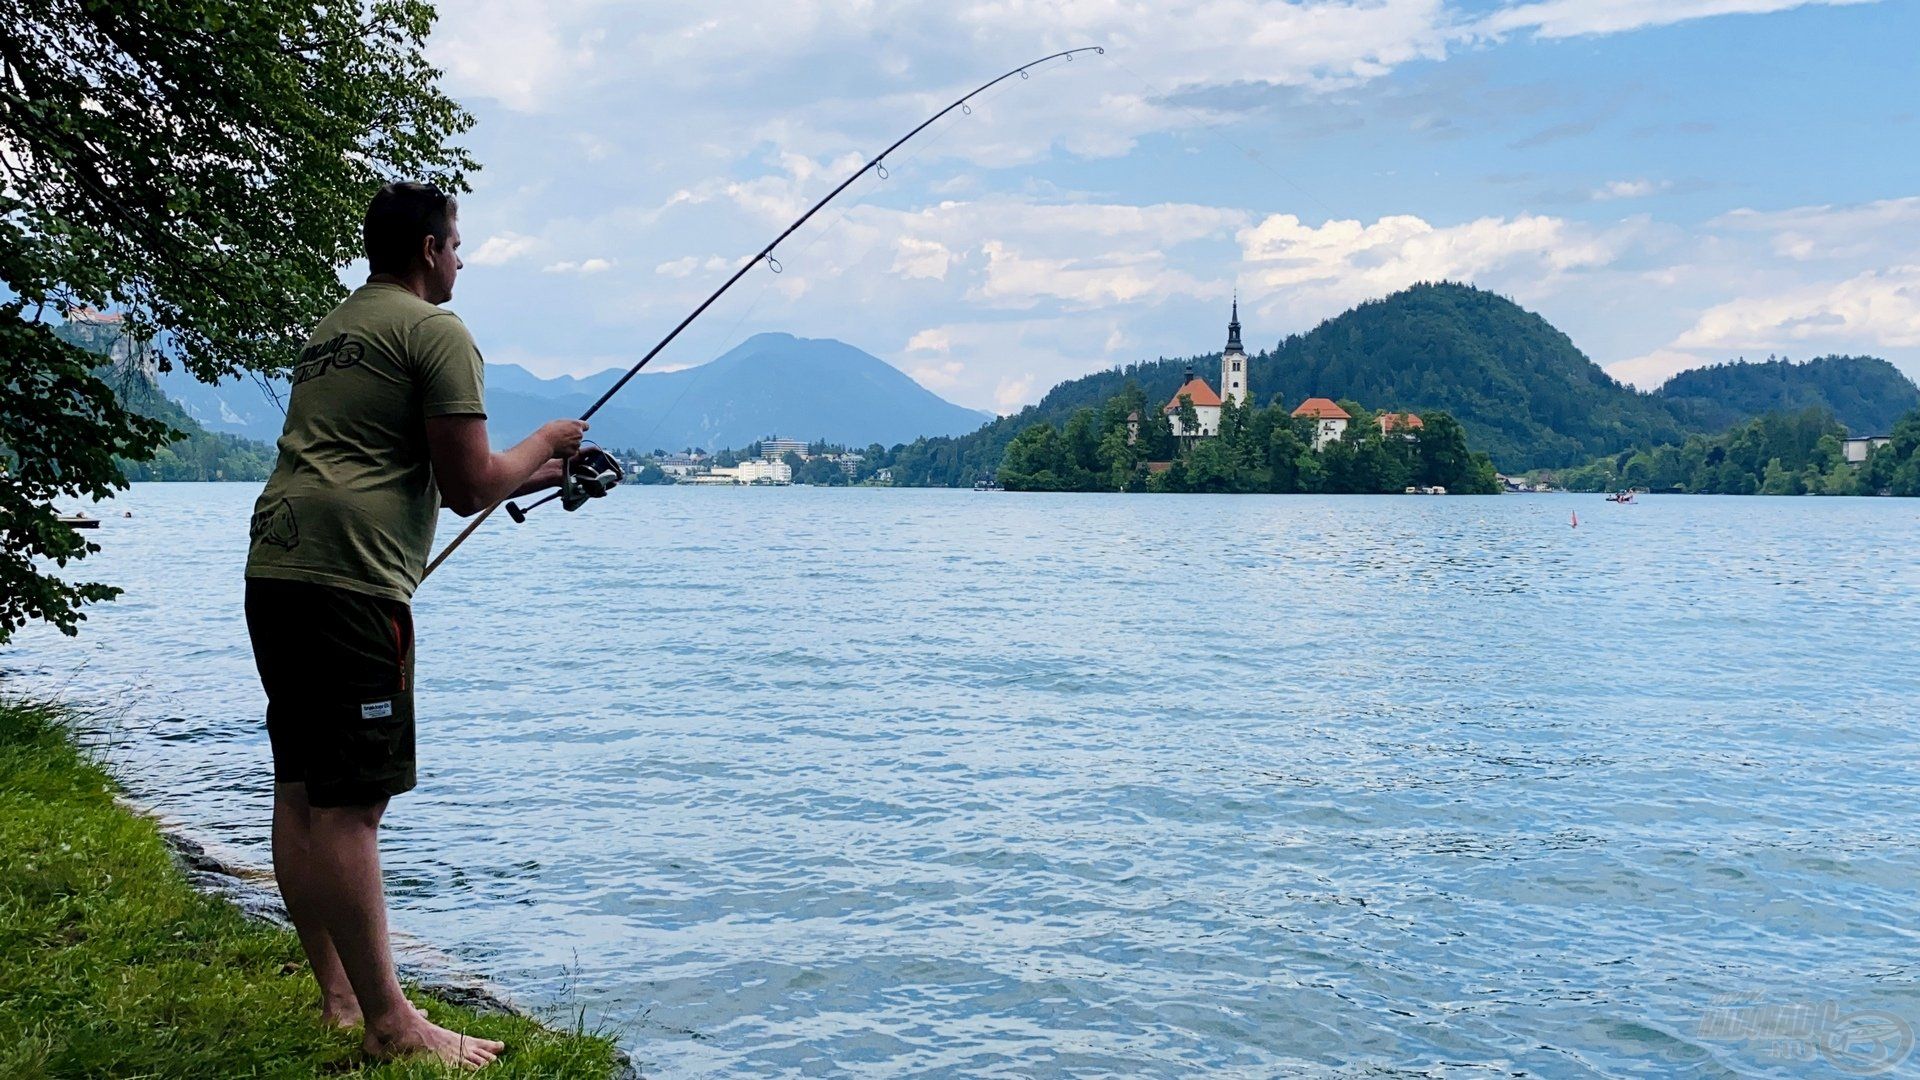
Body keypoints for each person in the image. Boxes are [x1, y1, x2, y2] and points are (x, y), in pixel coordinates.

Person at [244, 182, 588, 1069]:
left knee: (301, 787)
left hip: (278, 566)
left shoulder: (335, 331)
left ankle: (338, 997)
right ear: (431, 250)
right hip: (353, 581)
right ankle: (393, 1024)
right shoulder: (438, 332)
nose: (462, 259)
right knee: (353, 806)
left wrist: (546, 476)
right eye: (457, 244)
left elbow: (421, 465)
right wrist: (548, 439)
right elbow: (473, 483)